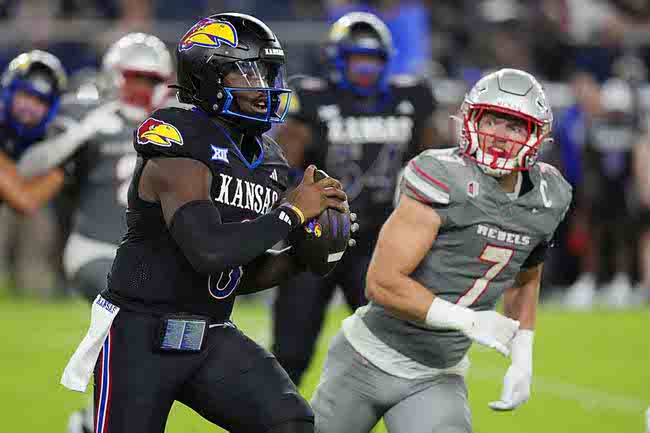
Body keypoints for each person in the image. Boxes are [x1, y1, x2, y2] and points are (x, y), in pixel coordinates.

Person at [61, 13, 349, 433]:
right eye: (247, 72)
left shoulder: (267, 158)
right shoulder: (176, 138)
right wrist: (291, 213)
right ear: (207, 76)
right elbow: (208, 251)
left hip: (211, 333)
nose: (263, 86)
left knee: (292, 425)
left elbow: (237, 275)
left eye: (267, 72)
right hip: (139, 335)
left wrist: (306, 256)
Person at [310, 68, 573, 433]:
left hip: (437, 374)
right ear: (470, 120)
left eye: (515, 126)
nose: (499, 136)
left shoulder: (549, 195)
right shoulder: (441, 175)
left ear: (536, 136)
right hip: (365, 359)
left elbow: (525, 277)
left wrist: (522, 358)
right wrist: (469, 320)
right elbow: (382, 283)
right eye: (493, 120)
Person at [18, 33, 174, 433]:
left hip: (144, 259)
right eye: (132, 78)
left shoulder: (175, 123)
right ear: (113, 76)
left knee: (146, 340)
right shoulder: (84, 111)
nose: (140, 88)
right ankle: (96, 419)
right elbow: (28, 168)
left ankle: (93, 420)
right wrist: (82, 130)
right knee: (131, 316)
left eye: (148, 79)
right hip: (92, 249)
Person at [272, 11, 438, 386]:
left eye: (373, 60)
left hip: (380, 242)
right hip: (316, 239)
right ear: (337, 59)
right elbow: (281, 169)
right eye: (357, 59)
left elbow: (435, 166)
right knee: (291, 352)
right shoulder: (313, 99)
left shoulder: (410, 97)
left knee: (389, 350)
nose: (366, 69)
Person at [0, 50, 68, 295]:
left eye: (41, 101)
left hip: (30, 208)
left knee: (39, 229)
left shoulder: (57, 135)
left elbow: (30, 201)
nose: (30, 107)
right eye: (26, 95)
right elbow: (25, 199)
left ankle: (37, 290)